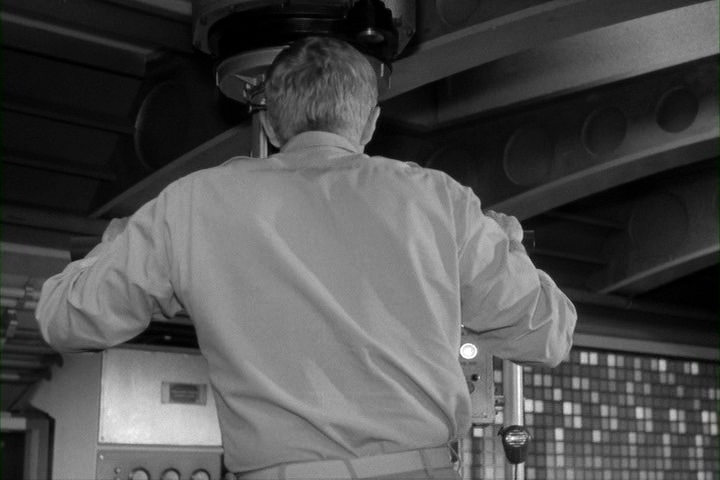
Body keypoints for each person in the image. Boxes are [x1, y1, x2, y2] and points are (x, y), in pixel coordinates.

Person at [36, 36, 576, 479]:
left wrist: (124, 240)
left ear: (270, 127)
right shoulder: (439, 200)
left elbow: (64, 318)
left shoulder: (192, 204)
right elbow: (548, 335)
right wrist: (508, 247)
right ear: (370, 123)